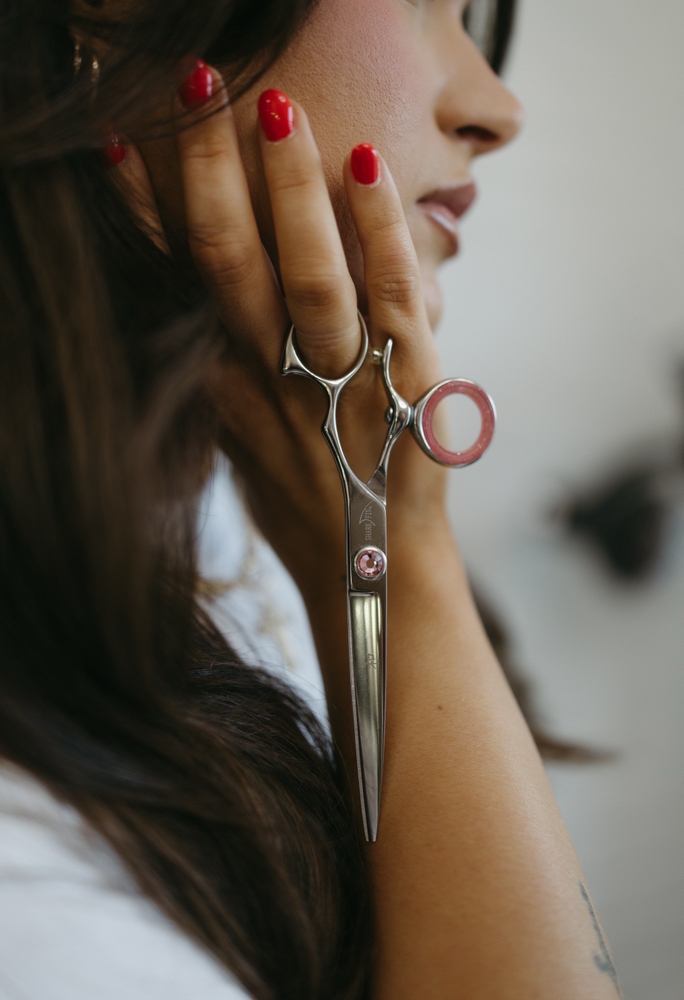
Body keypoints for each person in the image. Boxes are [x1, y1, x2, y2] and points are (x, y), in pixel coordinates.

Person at [0, 1, 622, 998]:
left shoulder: (236, 493)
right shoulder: (26, 877)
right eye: (425, 3)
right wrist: (396, 541)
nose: (497, 107)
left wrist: (365, 532)